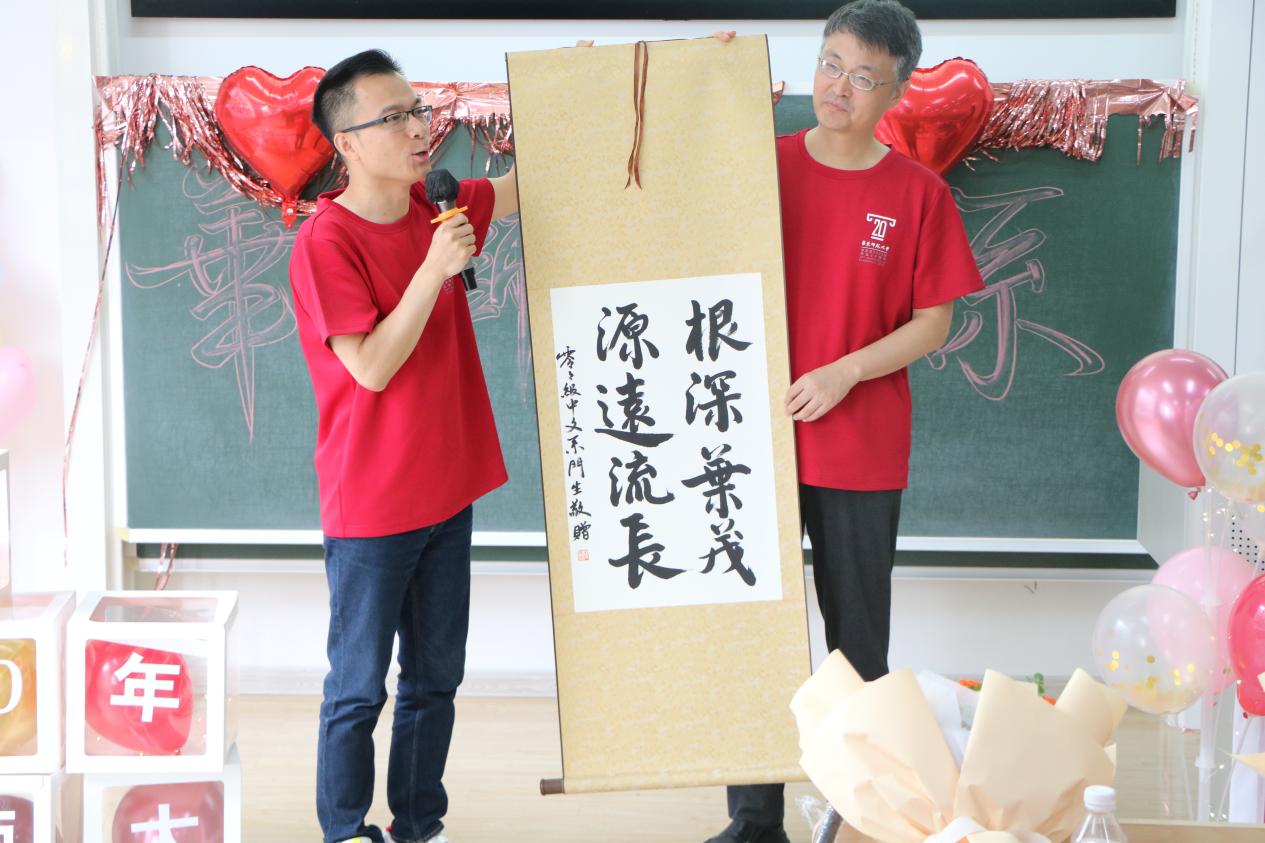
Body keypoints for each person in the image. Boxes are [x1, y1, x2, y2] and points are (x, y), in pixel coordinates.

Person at [705, 3, 985, 841]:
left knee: (857, 640)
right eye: (830, 64)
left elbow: (933, 322)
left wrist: (844, 371)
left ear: (894, 92)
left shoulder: (917, 193)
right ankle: (753, 820)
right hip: (748, 441)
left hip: (859, 445)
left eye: (864, 77)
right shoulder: (759, 164)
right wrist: (707, 77)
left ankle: (854, 816)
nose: (839, 87)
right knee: (752, 637)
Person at [289, 48, 519, 843]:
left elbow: (529, 186)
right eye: (394, 117)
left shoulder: (437, 203)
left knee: (435, 678)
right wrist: (433, 267)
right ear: (346, 143)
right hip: (372, 501)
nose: (420, 129)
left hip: (445, 488)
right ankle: (345, 829)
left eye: (418, 111)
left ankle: (419, 824)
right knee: (359, 686)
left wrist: (581, 87)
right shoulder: (326, 241)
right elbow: (372, 367)